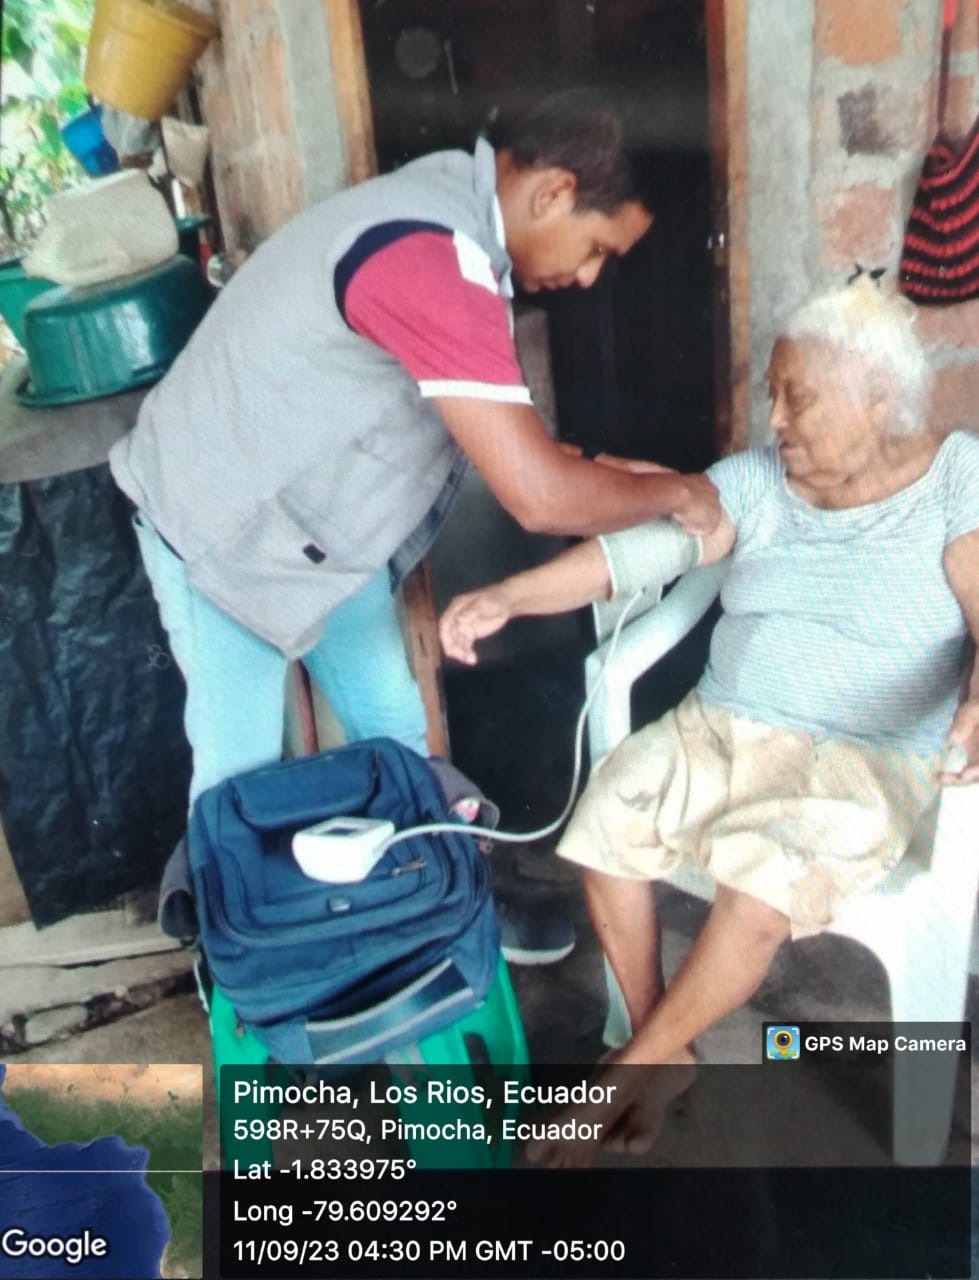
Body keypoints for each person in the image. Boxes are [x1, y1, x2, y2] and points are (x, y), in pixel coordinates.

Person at [109, 88, 720, 964]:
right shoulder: (430, 255)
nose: (589, 277)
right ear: (552, 192)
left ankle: (446, 905)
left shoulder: (451, 220)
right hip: (220, 524)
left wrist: (605, 469)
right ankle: (260, 987)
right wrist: (678, 493)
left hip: (314, 528)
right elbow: (537, 495)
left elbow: (500, 436)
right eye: (596, 249)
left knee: (394, 726)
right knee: (238, 781)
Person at [440, 277, 979, 1156]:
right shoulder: (762, 479)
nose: (774, 421)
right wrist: (510, 596)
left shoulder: (957, 479)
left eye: (797, 398)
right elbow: (641, 551)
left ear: (879, 396)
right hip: (721, 728)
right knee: (607, 815)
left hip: (862, 759)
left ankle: (627, 1072)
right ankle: (664, 1051)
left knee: (763, 880)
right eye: (771, 395)